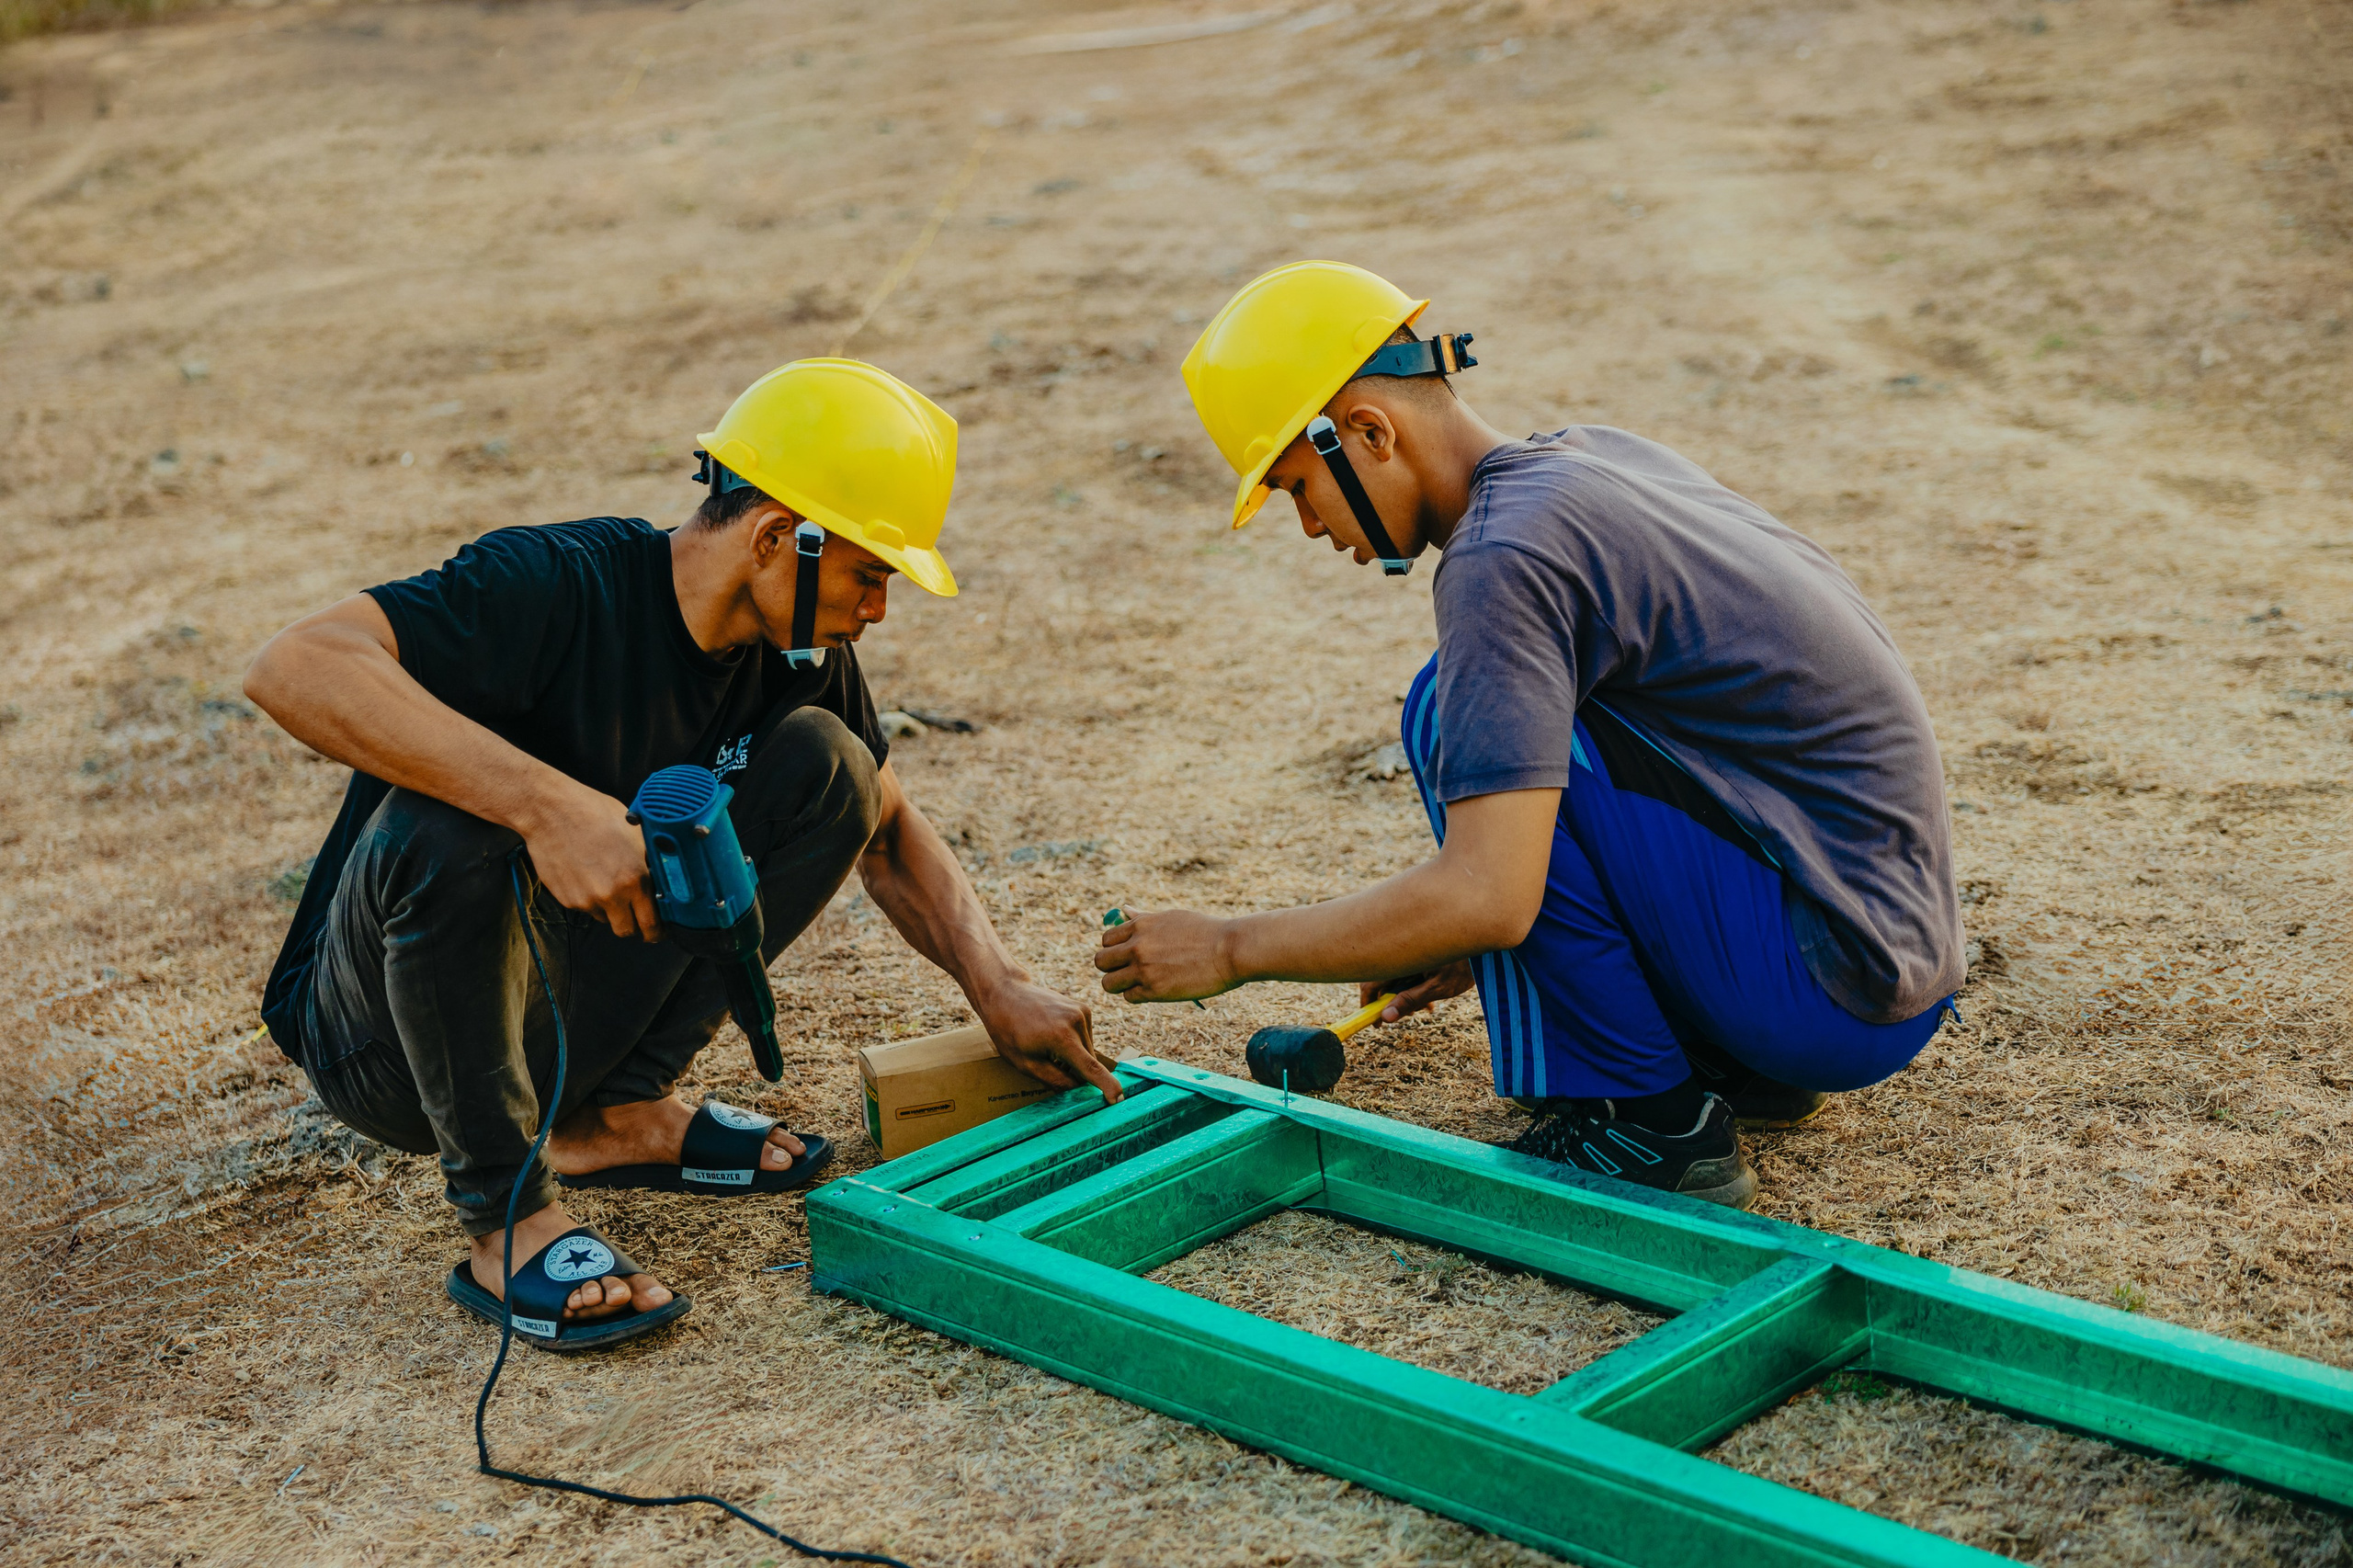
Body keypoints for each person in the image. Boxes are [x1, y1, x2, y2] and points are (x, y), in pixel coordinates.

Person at [246, 358, 1117, 1349]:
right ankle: (505, 1214)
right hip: (390, 1046)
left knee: (832, 766)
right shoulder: (552, 586)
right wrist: (545, 807)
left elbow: (885, 822)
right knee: (454, 823)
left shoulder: (803, 655)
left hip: (566, 1016)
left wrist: (995, 983)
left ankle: (609, 1109)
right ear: (780, 537)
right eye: (870, 573)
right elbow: (293, 664)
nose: (877, 609)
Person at [1095, 262, 1962, 1210]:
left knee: (1446, 708)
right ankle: (1721, 1058)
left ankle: (1656, 1124)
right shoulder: (1590, 461)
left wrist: (1228, 946)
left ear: (1368, 432)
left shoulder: (1501, 557)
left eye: (1299, 487)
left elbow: (1490, 892)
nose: (1308, 525)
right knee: (1504, 719)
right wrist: (1478, 950)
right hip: (1874, 954)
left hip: (1823, 986)